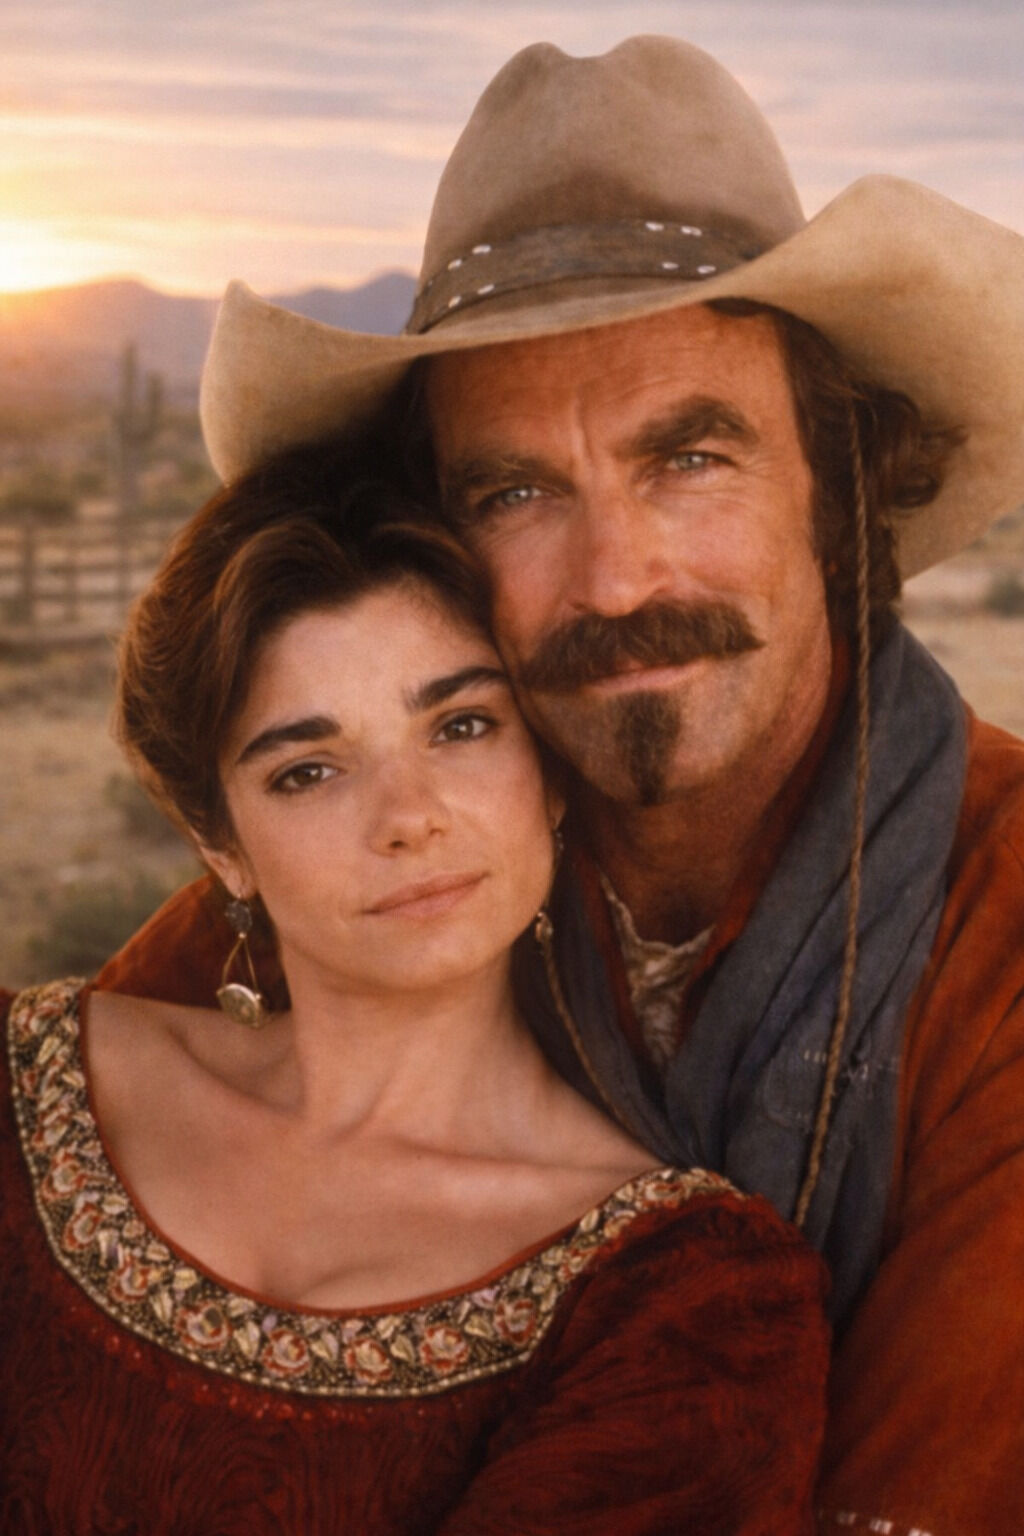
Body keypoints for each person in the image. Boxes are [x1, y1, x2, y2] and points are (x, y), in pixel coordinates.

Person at [95, 35, 1024, 1536]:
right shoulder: (431, 844)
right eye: (518, 490)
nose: (615, 579)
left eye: (691, 458)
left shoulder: (1006, 917)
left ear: (839, 478)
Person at [0, 444, 829, 1534]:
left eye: (461, 725)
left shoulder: (685, 1306)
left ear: (549, 774)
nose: (408, 817)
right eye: (307, 770)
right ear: (222, 846)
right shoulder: (25, 1090)